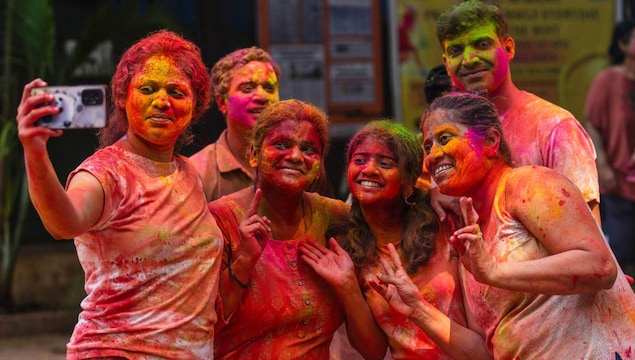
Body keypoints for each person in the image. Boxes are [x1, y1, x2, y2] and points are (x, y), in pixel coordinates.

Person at [16, 30, 223, 359]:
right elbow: (65, 222)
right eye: (147, 88)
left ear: (195, 106)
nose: (162, 101)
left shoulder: (188, 173)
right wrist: (35, 152)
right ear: (123, 98)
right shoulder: (105, 173)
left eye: (176, 91)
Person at [393, 91, 635, 359]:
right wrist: (417, 309)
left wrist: (494, 272)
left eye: (445, 138)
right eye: (428, 147)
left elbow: (600, 266)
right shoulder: (473, 234)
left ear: (490, 141)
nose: (433, 155)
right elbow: (486, 350)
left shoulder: (528, 185)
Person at [209, 99, 383, 359]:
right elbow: (201, 325)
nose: (295, 156)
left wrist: (348, 286)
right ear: (254, 154)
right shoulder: (220, 219)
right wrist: (245, 260)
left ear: (318, 166)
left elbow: (374, 351)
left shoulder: (336, 217)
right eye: (281, 144)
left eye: (308, 148)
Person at [307, 120, 486, 359]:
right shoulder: (349, 246)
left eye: (385, 163)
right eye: (359, 160)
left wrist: (418, 310)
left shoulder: (446, 225)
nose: (368, 170)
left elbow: (484, 351)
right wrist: (348, 287)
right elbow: (374, 352)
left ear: (408, 183)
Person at [432, 0, 600, 223]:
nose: (469, 59)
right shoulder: (442, 136)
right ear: (446, 63)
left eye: (482, 44)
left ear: (508, 48)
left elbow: (589, 245)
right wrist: (432, 193)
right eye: (456, 50)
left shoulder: (555, 127)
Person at [189, 47, 333, 201]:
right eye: (248, 88)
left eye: (269, 88)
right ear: (221, 102)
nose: (262, 96)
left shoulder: (302, 162)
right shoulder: (197, 173)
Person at [584, 20, 635, 292]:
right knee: (621, 250)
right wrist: (603, 165)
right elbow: (592, 123)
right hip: (619, 183)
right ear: (623, 44)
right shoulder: (607, 81)